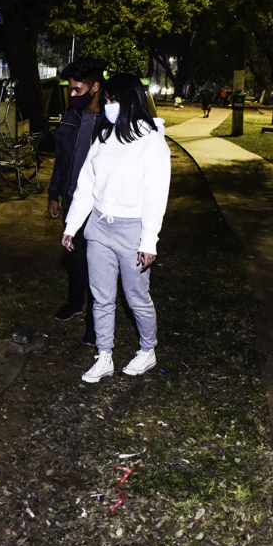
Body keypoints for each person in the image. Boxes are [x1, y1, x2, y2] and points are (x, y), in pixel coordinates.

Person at [61, 73, 171, 383]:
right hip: (99, 227)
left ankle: (148, 350)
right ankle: (104, 355)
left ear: (130, 102)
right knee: (101, 297)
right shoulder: (105, 138)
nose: (107, 106)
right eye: (106, 100)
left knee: (136, 298)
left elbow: (156, 195)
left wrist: (149, 241)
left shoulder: (152, 141)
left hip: (131, 230)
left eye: (112, 100)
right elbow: (86, 186)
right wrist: (73, 225)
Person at [48, 57, 106, 345]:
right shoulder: (71, 117)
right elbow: (61, 161)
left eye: (78, 90)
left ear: (95, 87)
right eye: (70, 89)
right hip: (73, 203)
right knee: (75, 259)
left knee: (98, 265)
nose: (72, 95)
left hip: (100, 209)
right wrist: (54, 195)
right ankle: (74, 303)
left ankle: (94, 324)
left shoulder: (111, 121)